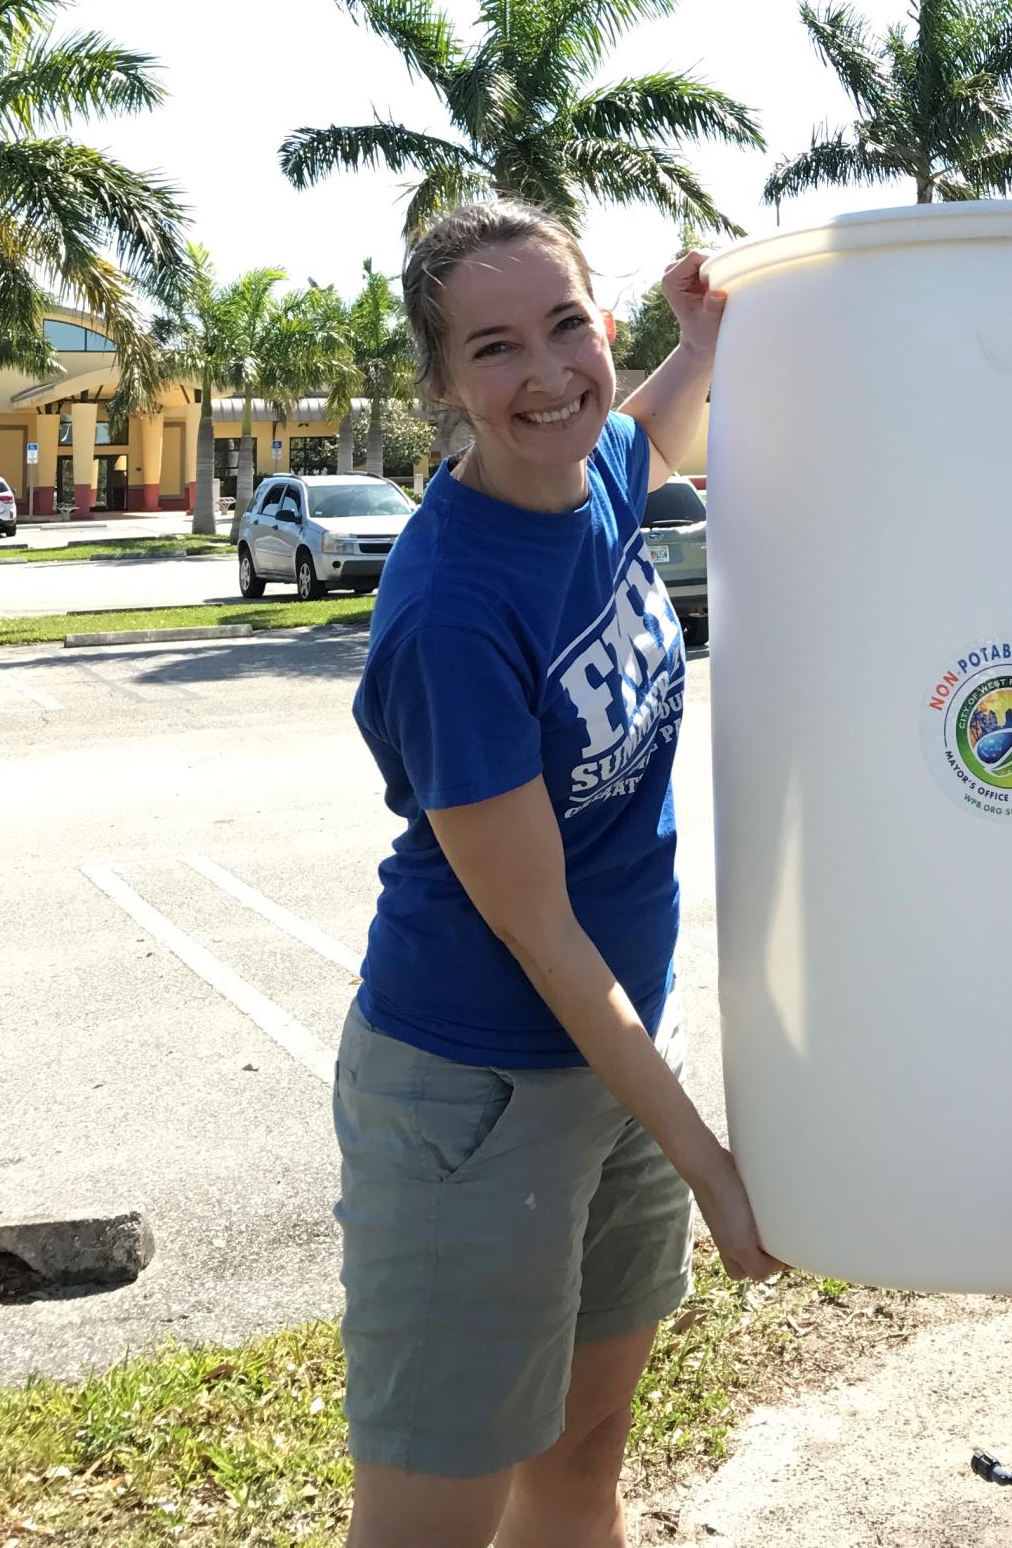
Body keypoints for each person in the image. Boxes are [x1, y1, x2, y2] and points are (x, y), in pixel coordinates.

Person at [333, 199, 779, 1548]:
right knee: (430, 1524)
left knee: (583, 1470)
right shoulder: (451, 612)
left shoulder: (596, 472)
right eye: (495, 349)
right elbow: (545, 941)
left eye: (567, 325)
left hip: (614, 1062)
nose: (545, 375)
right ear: (445, 384)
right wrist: (709, 1163)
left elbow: (641, 427)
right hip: (476, 1094)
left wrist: (698, 336)